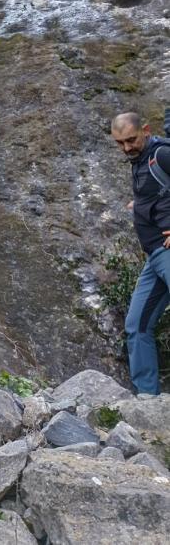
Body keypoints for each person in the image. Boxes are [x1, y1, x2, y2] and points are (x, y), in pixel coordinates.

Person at [110, 111, 170, 395]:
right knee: (136, 326)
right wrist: (141, 205)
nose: (126, 148)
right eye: (120, 143)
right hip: (154, 257)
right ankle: (148, 401)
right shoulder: (140, 160)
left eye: (131, 140)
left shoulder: (162, 154)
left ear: (145, 130)